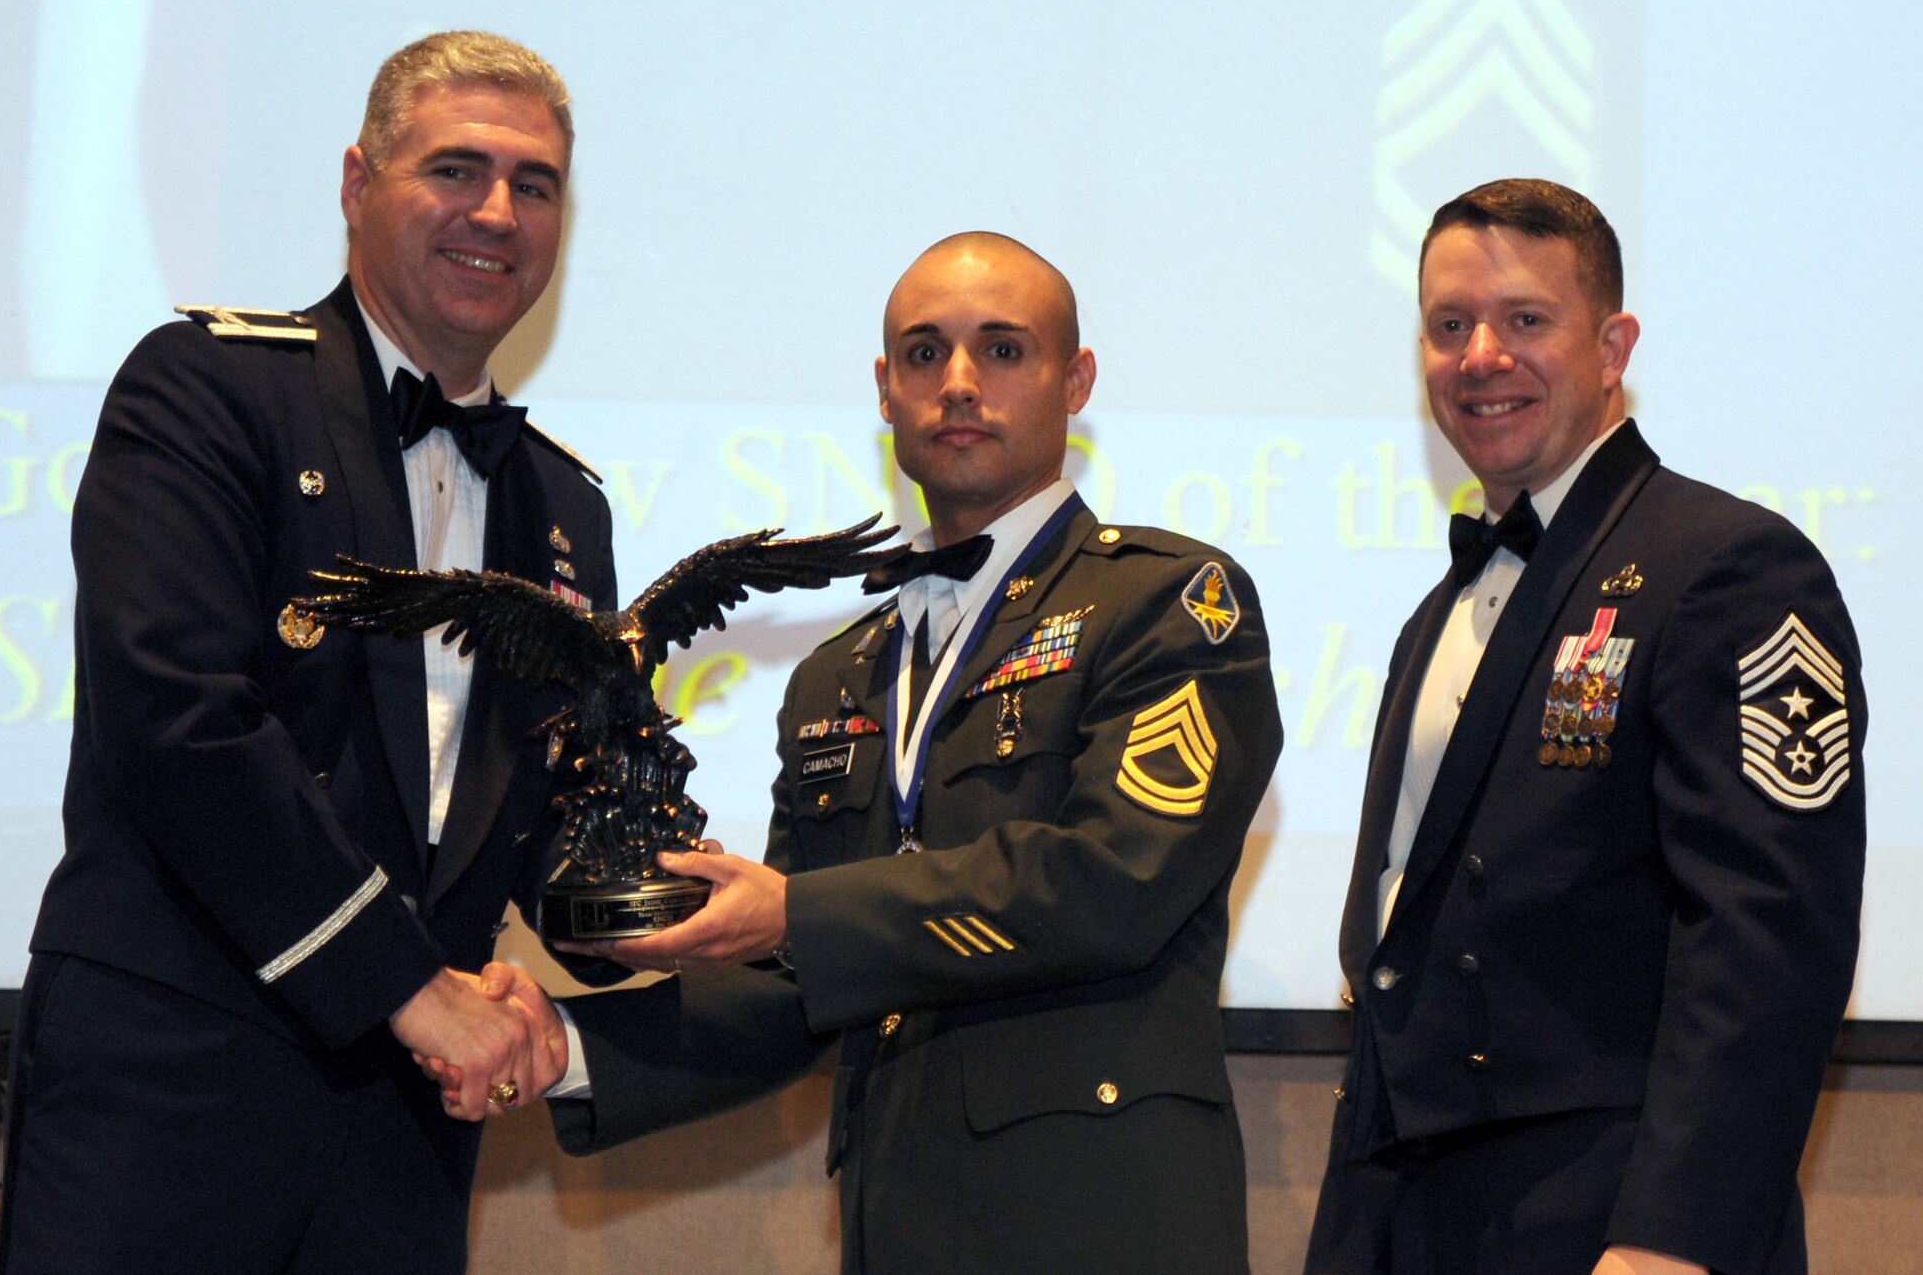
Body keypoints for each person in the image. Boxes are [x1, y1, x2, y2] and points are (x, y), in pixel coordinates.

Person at [451, 231, 1283, 1272]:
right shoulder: (836, 674)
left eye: (1004, 349)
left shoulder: (1166, 602)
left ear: (1075, 382)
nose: (959, 382)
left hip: (1104, 1222)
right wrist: (567, 1048)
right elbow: (795, 983)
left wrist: (794, 912)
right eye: (925, 353)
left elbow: (1110, 883)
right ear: (885, 390)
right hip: (898, 1223)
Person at [0, 31, 610, 1274]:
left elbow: (549, 813)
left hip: (405, 1139)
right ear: (355, 183)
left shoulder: (564, 507)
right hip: (169, 1093)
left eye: (533, 184)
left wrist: (748, 913)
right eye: (455, 168)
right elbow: (179, 725)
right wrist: (413, 986)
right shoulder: (207, 389)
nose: (496, 212)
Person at [1303, 179, 1866, 1275]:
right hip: (1415, 1218)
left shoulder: (1728, 565)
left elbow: (1765, 932)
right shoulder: (1441, 611)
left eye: (1524, 319)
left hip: (1610, 1221)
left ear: (1612, 347)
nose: (1480, 356)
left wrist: (1672, 1238)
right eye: (1449, 325)